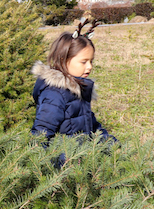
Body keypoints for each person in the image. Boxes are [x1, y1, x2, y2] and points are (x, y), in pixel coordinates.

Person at [31, 18, 115, 161]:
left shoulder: (78, 90)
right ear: (64, 59)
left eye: (91, 61)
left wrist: (112, 144)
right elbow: (42, 134)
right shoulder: (54, 95)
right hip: (63, 168)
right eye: (84, 62)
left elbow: (92, 126)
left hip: (80, 163)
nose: (89, 67)